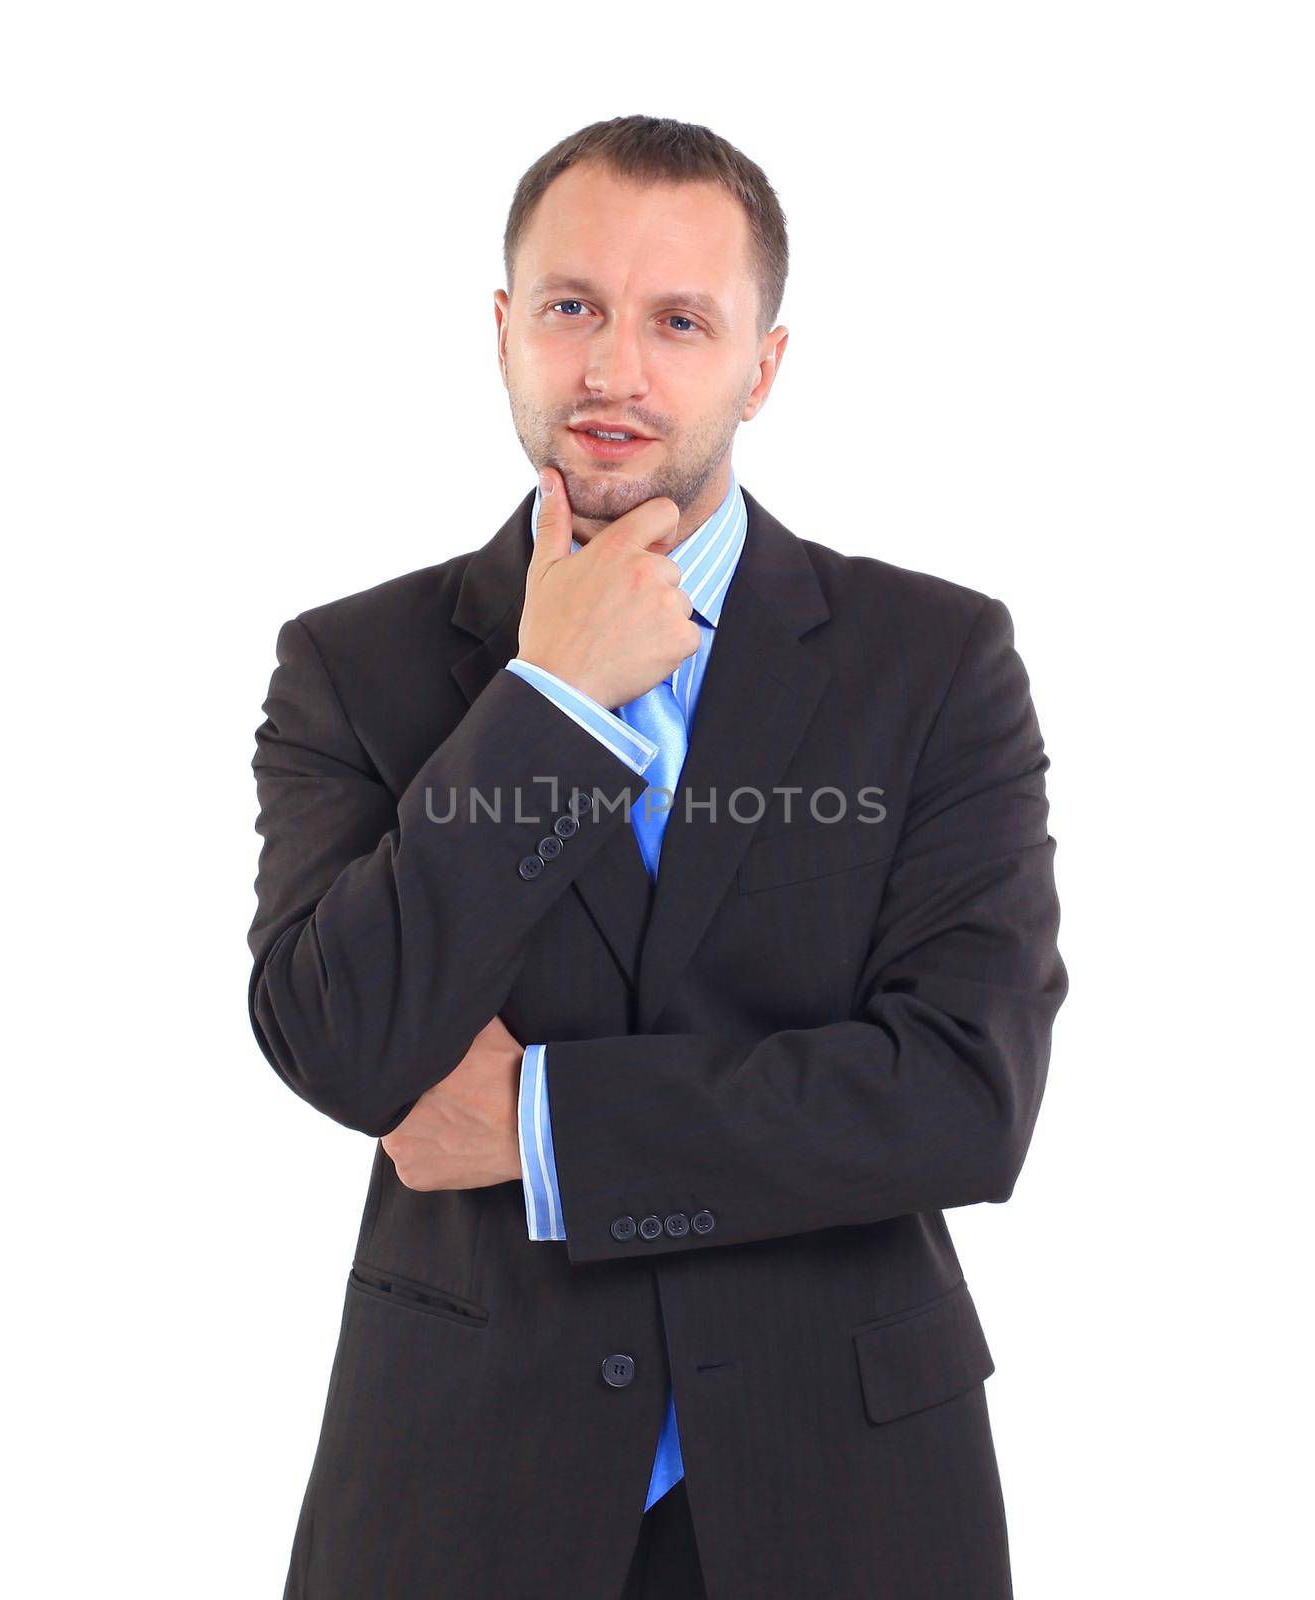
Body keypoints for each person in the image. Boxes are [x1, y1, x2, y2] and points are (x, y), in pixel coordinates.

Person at [247, 113, 1067, 1600]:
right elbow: (340, 1041)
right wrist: (546, 702)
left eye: (678, 321)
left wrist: (545, 1125)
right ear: (503, 331)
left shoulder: (931, 661)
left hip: (848, 1487)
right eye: (571, 308)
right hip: (459, 1488)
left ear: (760, 365)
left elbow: (963, 1097)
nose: (613, 370)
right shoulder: (352, 669)